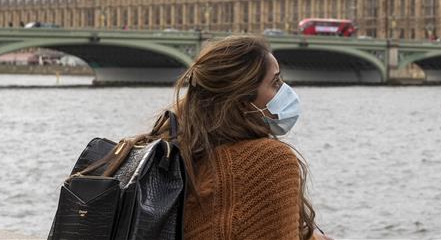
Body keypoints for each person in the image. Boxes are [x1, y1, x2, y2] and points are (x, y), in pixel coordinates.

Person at [109, 34, 332, 240]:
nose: (285, 91)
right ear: (243, 99)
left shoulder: (167, 152)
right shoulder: (267, 161)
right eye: (275, 83)